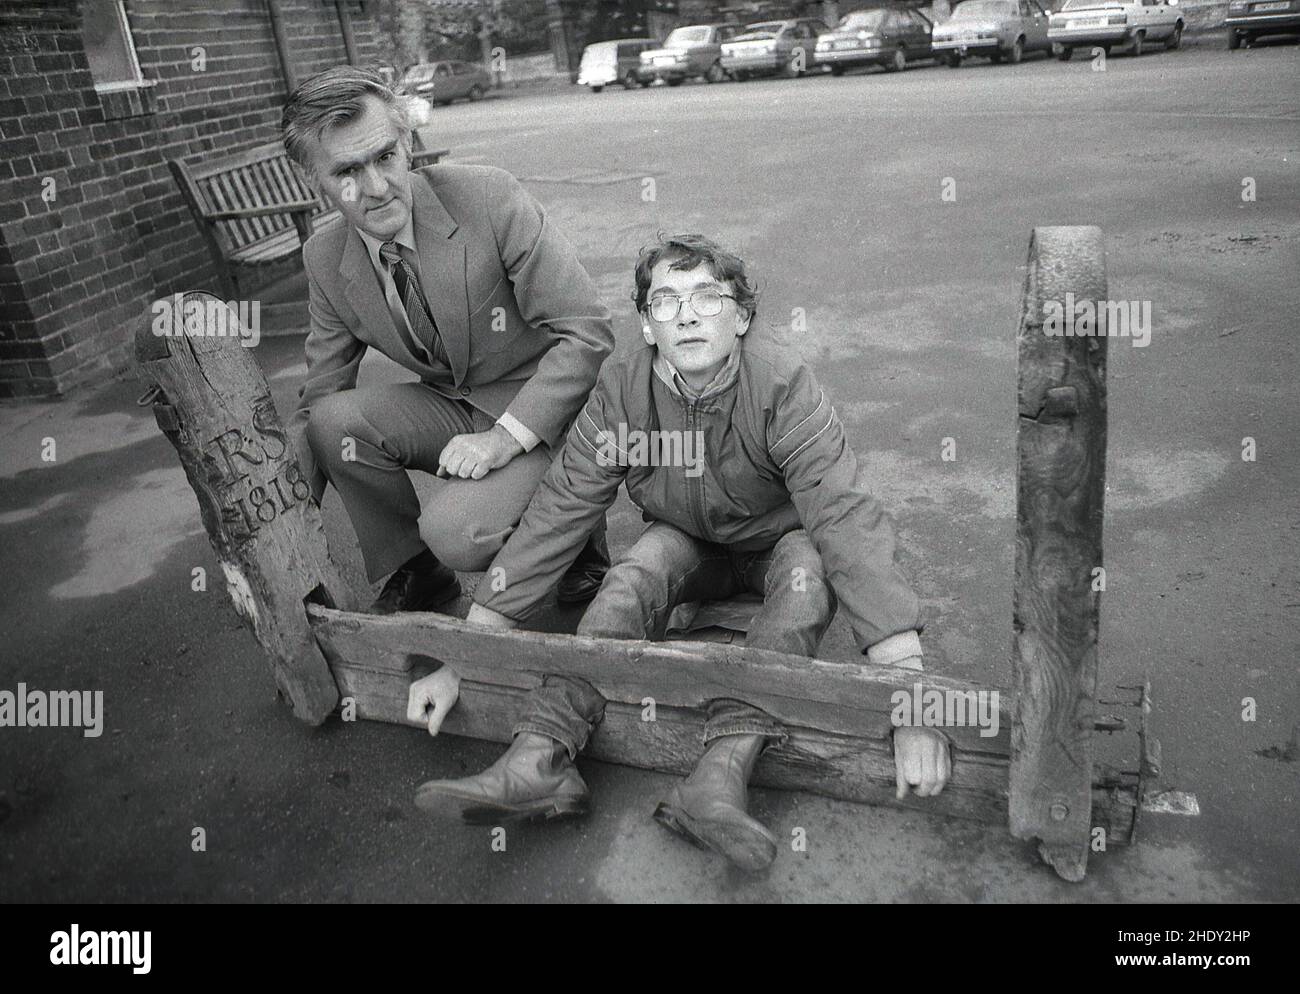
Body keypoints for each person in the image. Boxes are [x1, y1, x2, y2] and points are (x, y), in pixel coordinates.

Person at [408, 234, 951, 872]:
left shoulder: (782, 386)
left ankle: (718, 779)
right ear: (645, 324)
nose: (686, 315)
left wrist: (910, 694)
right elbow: (560, 509)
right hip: (687, 541)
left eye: (707, 298)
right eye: (665, 301)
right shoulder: (622, 388)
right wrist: (468, 651)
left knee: (809, 567)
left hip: (777, 544)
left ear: (742, 316)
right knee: (639, 565)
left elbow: (844, 518)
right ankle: (539, 756)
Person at [281, 66, 614, 613]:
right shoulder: (324, 256)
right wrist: (282, 501)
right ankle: (418, 573)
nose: (377, 187)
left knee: (457, 531)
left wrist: (504, 440)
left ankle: (576, 540)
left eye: (386, 157)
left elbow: (587, 332)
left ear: (408, 143)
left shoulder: (488, 197)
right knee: (332, 423)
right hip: (454, 405)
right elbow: (320, 391)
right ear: (309, 178)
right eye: (347, 171)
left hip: (546, 409)